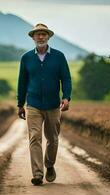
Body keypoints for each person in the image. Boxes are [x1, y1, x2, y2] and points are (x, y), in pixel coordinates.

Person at [17, 23, 72, 186]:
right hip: (33, 104)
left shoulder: (59, 56)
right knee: (34, 137)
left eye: (43, 34)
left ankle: (49, 165)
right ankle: (38, 174)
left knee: (53, 139)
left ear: (48, 37)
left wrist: (66, 97)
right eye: (37, 34)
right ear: (33, 37)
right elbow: (22, 82)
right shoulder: (26, 58)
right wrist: (20, 104)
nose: (40, 37)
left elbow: (66, 79)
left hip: (53, 105)